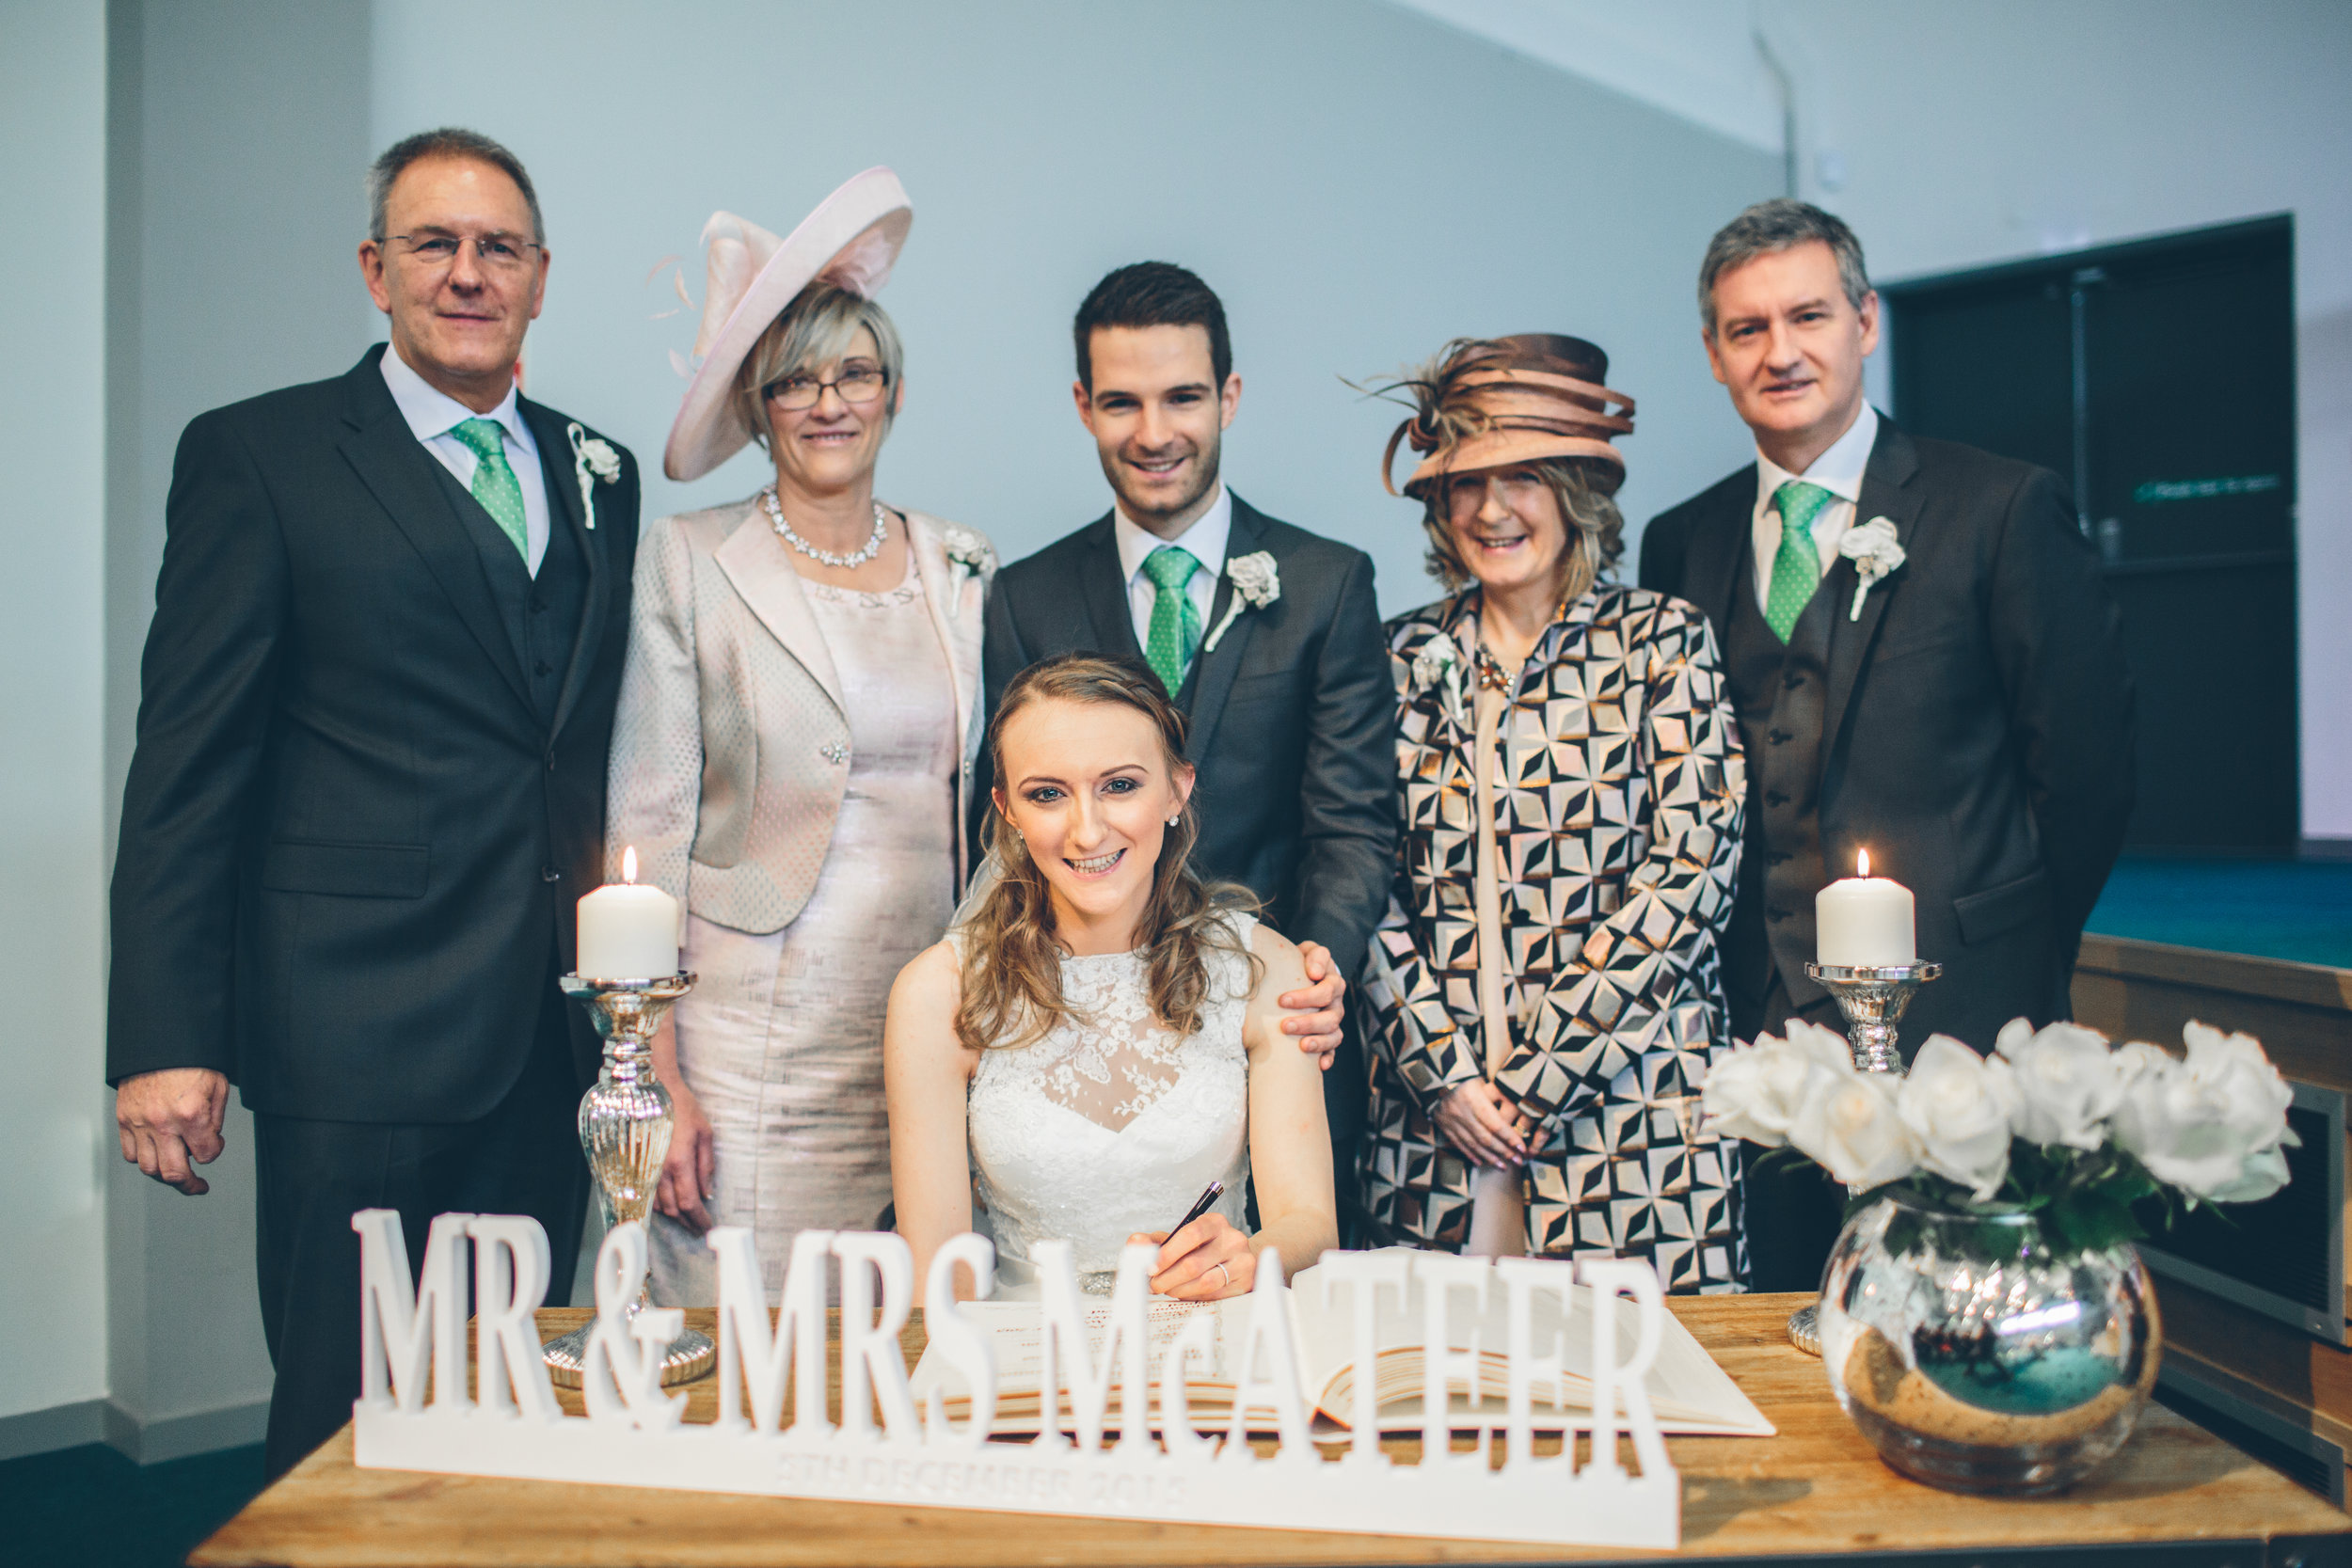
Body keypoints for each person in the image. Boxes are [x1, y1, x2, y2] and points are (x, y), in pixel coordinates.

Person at [105, 128, 641, 1478]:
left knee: (508, 1396)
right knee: (346, 1411)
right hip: (350, 1031)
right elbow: (186, 762)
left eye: (498, 248)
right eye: (435, 244)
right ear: (375, 269)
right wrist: (168, 1033)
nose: (469, 273)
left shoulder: (602, 470)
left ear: (539, 277)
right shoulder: (261, 456)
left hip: (547, 1032)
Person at [1640, 198, 2136, 1292]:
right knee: (1784, 1328)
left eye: (1807, 315)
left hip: (1962, 1025)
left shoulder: (1997, 506)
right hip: (1754, 1036)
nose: (1780, 352)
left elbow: (2086, 767)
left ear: (1865, 322)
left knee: (1957, 1330)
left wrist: (2008, 940)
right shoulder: (1682, 538)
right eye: (1746, 329)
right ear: (1714, 356)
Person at [605, 169, 995, 1304]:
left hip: (930, 1018)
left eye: (856, 375)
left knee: (901, 1332)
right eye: (796, 382)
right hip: (748, 1039)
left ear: (895, 394)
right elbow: (649, 817)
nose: (829, 403)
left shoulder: (961, 563)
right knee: (741, 1327)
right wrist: (654, 1074)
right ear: (759, 407)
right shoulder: (690, 558)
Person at [978, 262, 1391, 1226]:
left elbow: (1352, 822)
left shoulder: (1326, 583)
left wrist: (1307, 983)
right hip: (1075, 1041)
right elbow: (1003, 823)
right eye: (1121, 401)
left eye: (1182, 397)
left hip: (1270, 1022)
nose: (1154, 433)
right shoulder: (1025, 597)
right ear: (1083, 405)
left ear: (1229, 397)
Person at [1355, 336, 1749, 1289]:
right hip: (1434, 1142)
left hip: (1633, 1125)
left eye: (1523, 476)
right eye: (1463, 484)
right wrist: (1444, 1075)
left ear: (1575, 489)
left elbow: (1692, 870)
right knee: (1443, 1410)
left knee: (1643, 1411)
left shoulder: (1661, 641)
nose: (1491, 509)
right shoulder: (1390, 656)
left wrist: (1541, 1077)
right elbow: (1357, 871)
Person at [890, 654, 1337, 1297]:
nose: (1087, 828)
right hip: (1028, 1363)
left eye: (1120, 785)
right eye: (1047, 793)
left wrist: (1248, 1256)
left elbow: (1312, 1225)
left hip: (1213, 1355)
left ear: (1178, 788)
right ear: (1007, 809)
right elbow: (939, 1280)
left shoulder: (1265, 970)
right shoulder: (938, 994)